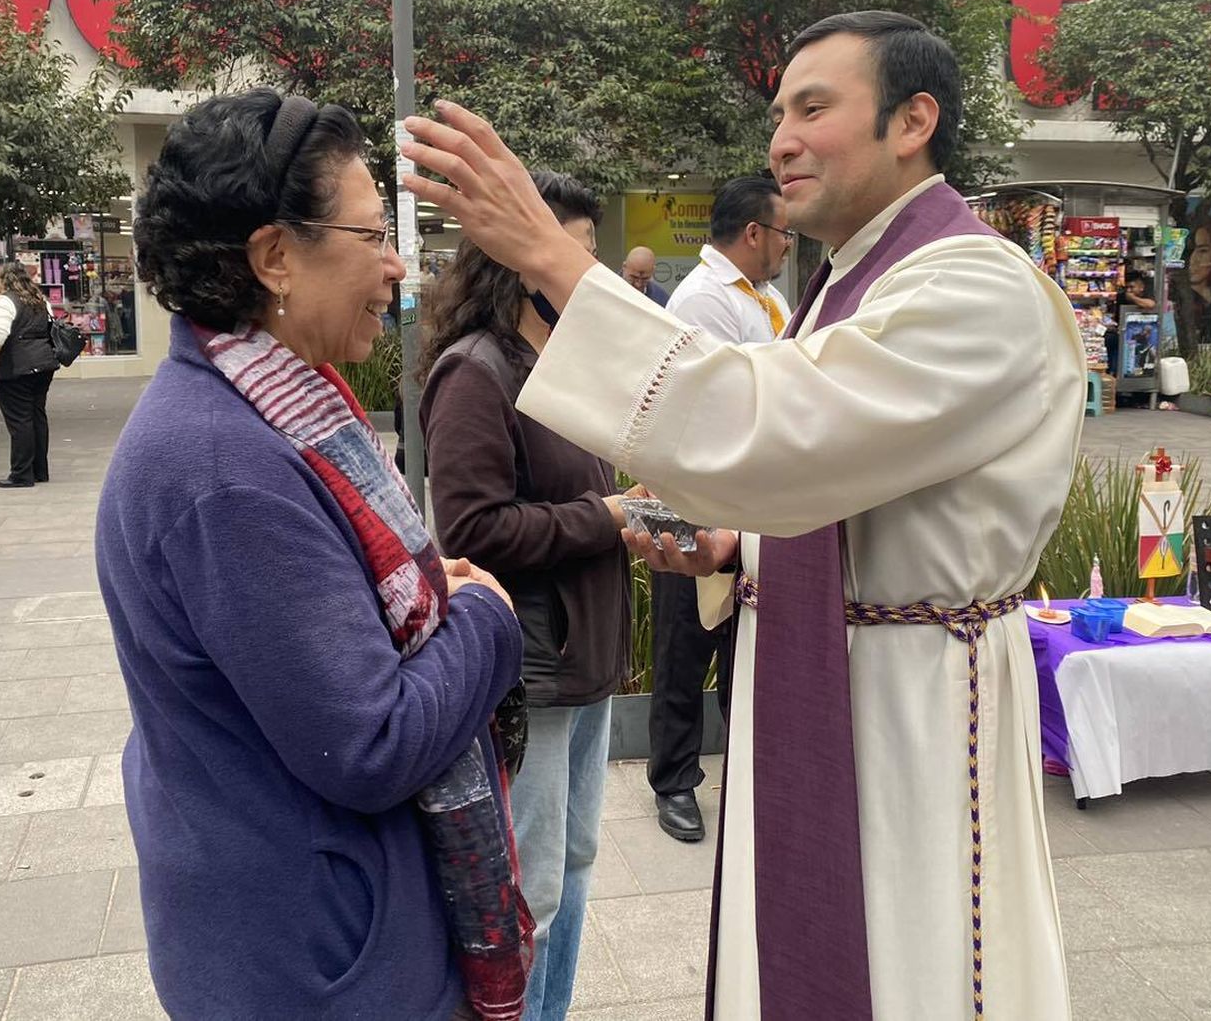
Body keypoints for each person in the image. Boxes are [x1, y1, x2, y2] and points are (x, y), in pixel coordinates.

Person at [400, 10, 1084, 1020]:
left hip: (912, 704)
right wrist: (738, 540)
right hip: (829, 672)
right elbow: (830, 474)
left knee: (914, 961)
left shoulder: (973, 285)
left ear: (913, 121)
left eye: (814, 107)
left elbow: (768, 427)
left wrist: (551, 257)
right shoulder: (856, 280)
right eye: (777, 114)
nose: (781, 141)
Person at [95, 88, 527, 1021]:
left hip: (313, 924)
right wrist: (485, 618)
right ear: (276, 257)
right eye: (373, 235)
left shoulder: (270, 409)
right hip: (320, 959)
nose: (397, 266)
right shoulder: (228, 466)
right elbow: (368, 741)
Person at [420, 172, 633, 1021]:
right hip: (535, 666)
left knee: (575, 861)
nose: (582, 274)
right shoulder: (475, 372)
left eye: (587, 254)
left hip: (586, 660)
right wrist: (608, 515)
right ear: (512, 261)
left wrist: (632, 508)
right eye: (563, 254)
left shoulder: (563, 365)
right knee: (533, 884)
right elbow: (471, 530)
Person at [647, 175, 792, 844]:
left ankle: (748, 777)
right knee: (684, 644)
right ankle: (673, 782)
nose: (791, 246)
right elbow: (728, 403)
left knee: (746, 643)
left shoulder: (768, 299)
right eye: (785, 232)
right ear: (755, 232)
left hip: (754, 502)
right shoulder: (703, 300)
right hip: (694, 498)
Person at [0, 262, 58, 488]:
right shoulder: (39, 300)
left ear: (3, 280)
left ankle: (21, 474)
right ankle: (39, 470)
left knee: (20, 421)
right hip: (43, 365)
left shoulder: (5, 301)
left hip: (16, 368)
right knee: (36, 416)